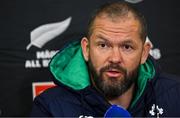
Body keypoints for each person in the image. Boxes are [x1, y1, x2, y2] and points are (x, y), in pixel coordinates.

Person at [30, 1, 180, 117]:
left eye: (127, 47)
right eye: (103, 45)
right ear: (86, 49)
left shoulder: (174, 95)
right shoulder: (51, 108)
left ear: (144, 53)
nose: (115, 59)